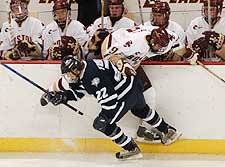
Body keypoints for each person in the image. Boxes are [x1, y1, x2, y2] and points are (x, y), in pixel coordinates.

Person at [40, 55, 182, 160]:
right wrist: (64, 96)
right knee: (141, 110)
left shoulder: (92, 76)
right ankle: (168, 130)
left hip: (124, 95)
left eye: (69, 73)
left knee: (102, 124)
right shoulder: (87, 67)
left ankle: (131, 149)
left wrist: (104, 118)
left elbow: (111, 101)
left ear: (76, 69)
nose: (68, 77)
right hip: (133, 85)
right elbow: (81, 91)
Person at [101, 25, 202, 144]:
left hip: (133, 60)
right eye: (157, 46)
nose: (160, 49)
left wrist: (188, 54)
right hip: (114, 52)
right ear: (150, 39)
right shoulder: (134, 42)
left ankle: (144, 131)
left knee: (149, 93)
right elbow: (108, 53)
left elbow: (177, 47)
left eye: (162, 47)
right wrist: (121, 64)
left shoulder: (169, 38)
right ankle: (113, 127)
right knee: (131, 97)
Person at [136, 1, 186, 144]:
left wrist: (169, 56)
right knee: (147, 97)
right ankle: (146, 129)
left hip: (167, 69)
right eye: (155, 15)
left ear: (167, 15)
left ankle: (148, 128)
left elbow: (178, 55)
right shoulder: (145, 27)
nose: (156, 18)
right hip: (147, 68)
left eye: (160, 15)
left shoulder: (176, 29)